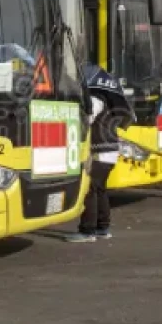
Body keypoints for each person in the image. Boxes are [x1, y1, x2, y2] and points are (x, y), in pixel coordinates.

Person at [66, 94, 119, 243]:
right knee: (99, 190)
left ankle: (88, 231)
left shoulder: (95, 101)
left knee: (89, 190)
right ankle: (102, 228)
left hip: (100, 153)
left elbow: (86, 119)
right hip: (109, 153)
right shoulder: (106, 102)